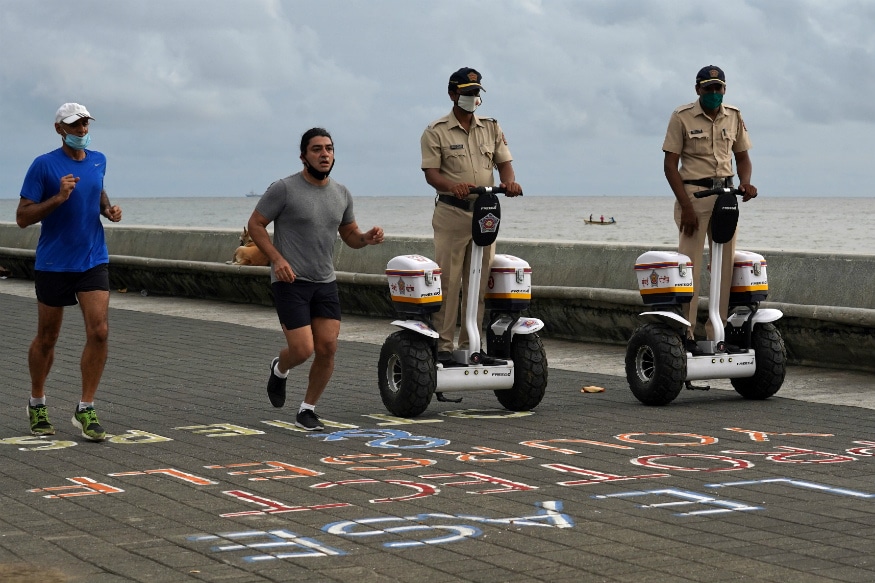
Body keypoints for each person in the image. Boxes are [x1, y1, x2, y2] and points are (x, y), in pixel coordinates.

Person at [247, 128, 384, 431]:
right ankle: (280, 368)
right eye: (317, 149)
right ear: (303, 156)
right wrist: (277, 259)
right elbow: (255, 224)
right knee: (302, 350)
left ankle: (307, 410)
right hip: (290, 281)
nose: (324, 154)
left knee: (328, 348)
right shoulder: (284, 189)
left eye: (329, 149)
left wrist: (366, 238)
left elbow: (349, 235)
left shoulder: (341, 193)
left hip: (324, 282)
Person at [16, 103, 122, 441]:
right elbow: (23, 216)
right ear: (59, 129)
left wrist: (108, 209)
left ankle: (85, 408)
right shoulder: (43, 165)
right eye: (74, 126)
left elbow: (96, 188)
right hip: (54, 263)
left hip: (92, 258)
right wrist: (58, 198)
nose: (81, 130)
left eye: (85, 124)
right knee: (48, 338)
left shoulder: (98, 159)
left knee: (100, 331)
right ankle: (37, 401)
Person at [420, 67, 522, 364]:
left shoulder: (490, 127)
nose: (472, 97)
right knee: (449, 283)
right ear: (453, 94)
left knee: (478, 280)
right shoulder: (436, 130)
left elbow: (504, 163)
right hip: (452, 212)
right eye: (466, 92)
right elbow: (431, 174)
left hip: (484, 215)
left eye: (476, 92)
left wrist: (510, 181)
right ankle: (444, 346)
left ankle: (472, 346)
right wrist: (454, 186)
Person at [662, 65, 758, 347]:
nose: (714, 93)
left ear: (725, 89)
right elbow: (670, 166)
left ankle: (718, 332)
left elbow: (742, 158)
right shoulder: (682, 116)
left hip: (726, 197)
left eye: (718, 88)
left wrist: (747, 182)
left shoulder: (734, 116)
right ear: (698, 90)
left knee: (724, 267)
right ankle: (686, 332)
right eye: (708, 88)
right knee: (688, 268)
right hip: (693, 195)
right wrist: (686, 207)